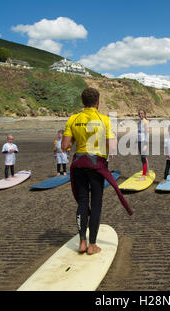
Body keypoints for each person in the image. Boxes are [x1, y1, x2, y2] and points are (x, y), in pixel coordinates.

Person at [62, 87, 132, 255]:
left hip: (79, 164)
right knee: (96, 204)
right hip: (96, 165)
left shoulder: (73, 119)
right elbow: (113, 146)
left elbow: (64, 146)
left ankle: (82, 242)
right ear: (98, 102)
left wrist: (76, 142)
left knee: (82, 202)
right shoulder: (104, 120)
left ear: (83, 102)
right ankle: (92, 244)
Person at [137, 109, 151, 181]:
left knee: (143, 158)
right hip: (139, 142)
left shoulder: (146, 122)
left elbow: (147, 134)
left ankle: (143, 176)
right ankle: (147, 172)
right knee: (143, 158)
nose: (140, 115)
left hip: (143, 142)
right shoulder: (139, 122)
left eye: (142, 113)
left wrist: (146, 144)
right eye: (139, 113)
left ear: (145, 114)